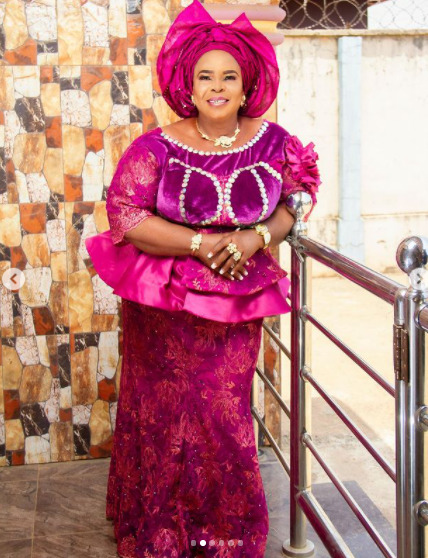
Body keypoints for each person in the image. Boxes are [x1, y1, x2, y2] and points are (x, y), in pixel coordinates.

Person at [85, 1, 321, 556]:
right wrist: (202, 242)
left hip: (235, 309)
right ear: (187, 86)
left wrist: (257, 236)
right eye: (205, 77)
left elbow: (299, 199)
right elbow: (126, 215)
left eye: (228, 77)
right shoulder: (156, 146)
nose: (217, 87)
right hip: (163, 310)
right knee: (163, 413)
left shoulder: (276, 143)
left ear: (247, 84)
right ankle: (163, 530)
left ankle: (223, 532)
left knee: (223, 414)